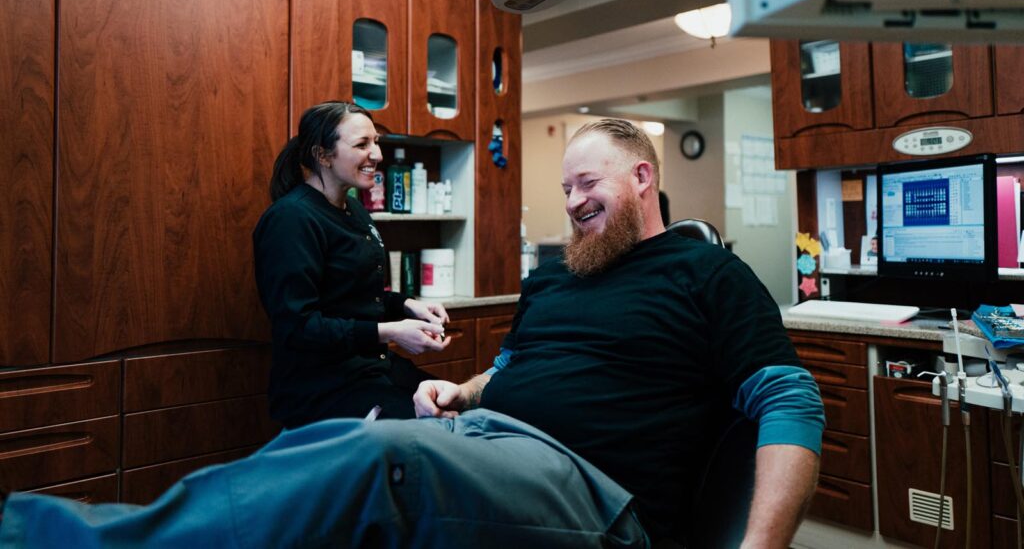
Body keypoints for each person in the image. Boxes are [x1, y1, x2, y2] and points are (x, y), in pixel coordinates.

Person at [0, 119, 823, 548]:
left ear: (643, 177)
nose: (572, 200)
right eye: (565, 185)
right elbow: (508, 370)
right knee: (316, 444)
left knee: (374, 463)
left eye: (589, 182)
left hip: (593, 496)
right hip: (490, 439)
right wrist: (455, 389)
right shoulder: (556, 278)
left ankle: (38, 538)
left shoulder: (702, 273)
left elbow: (791, 401)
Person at [253, 101, 451, 427]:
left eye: (376, 142)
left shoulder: (355, 211)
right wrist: (390, 332)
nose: (377, 154)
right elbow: (298, 326)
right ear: (323, 155)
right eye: (362, 145)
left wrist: (409, 306)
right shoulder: (291, 219)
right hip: (323, 388)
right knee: (434, 431)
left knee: (454, 409)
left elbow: (356, 296)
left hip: (373, 370)